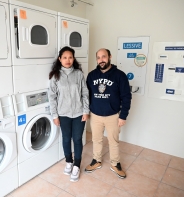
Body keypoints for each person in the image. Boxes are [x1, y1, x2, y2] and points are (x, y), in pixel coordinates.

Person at [85, 48, 132, 179]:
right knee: (96, 140)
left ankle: (115, 164)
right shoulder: (92, 75)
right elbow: (86, 95)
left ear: (110, 57)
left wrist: (123, 116)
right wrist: (86, 111)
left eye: (104, 57)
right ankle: (96, 160)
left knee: (113, 141)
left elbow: (126, 97)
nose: (101, 60)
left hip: (113, 115)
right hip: (95, 115)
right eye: (99, 57)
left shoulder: (120, 75)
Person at [49, 46, 89, 182]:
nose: (68, 60)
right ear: (60, 59)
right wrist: (55, 115)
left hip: (78, 113)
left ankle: (76, 165)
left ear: (73, 59)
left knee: (77, 139)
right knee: (66, 139)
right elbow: (52, 96)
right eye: (65, 57)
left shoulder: (78, 74)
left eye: (70, 57)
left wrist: (86, 111)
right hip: (63, 114)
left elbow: (85, 93)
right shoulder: (55, 76)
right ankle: (69, 162)